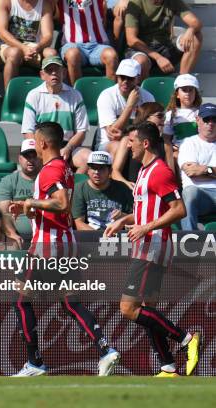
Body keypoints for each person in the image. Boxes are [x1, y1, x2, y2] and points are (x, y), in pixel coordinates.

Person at [9, 121, 119, 377]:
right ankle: (105, 349)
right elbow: (54, 206)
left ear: (44, 143)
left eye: (35, 141)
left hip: (48, 246)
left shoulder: (50, 170)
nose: (35, 145)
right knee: (71, 302)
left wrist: (30, 201)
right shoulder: (64, 169)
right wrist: (29, 206)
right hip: (65, 243)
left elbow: (61, 204)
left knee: (20, 298)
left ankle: (34, 362)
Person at [105, 121, 200, 377]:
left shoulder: (160, 171)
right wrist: (123, 221)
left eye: (132, 141)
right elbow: (143, 212)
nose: (129, 145)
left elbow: (179, 210)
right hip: (146, 245)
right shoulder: (143, 172)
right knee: (148, 307)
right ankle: (168, 367)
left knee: (128, 308)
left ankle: (186, 338)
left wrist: (146, 228)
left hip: (153, 246)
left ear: (145, 143)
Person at [21, 56, 92, 174]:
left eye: (57, 70)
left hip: (68, 145)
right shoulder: (33, 95)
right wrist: (44, 151)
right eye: (49, 70)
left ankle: (71, 187)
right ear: (42, 75)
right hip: (42, 146)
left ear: (64, 72)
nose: (54, 73)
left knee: (88, 158)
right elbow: (28, 132)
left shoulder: (75, 95)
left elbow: (81, 131)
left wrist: (68, 148)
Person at [125, 0, 202, 80]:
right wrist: (158, 58)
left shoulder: (173, 2)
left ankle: (182, 81)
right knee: (141, 61)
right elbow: (131, 40)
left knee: (196, 37)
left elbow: (195, 22)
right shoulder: (136, 3)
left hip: (165, 46)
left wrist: (191, 30)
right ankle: (141, 90)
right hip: (142, 49)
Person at [96, 58, 155, 155]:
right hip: (107, 144)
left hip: (137, 142)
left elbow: (150, 130)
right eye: (122, 77)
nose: (125, 81)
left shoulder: (148, 97)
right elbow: (113, 135)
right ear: (117, 77)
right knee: (119, 146)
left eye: (130, 78)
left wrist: (125, 135)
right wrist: (130, 106)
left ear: (138, 78)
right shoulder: (106, 95)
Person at [0, 0, 57, 89]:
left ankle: (49, 95)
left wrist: (38, 47)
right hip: (8, 45)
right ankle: (10, 97)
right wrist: (23, 48)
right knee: (14, 53)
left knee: (51, 54)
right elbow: (2, 32)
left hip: (33, 47)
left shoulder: (45, 4)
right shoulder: (5, 1)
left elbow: (48, 36)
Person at [58, 0, 118, 85]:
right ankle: (76, 96)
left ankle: (110, 96)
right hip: (72, 45)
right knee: (73, 55)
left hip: (97, 45)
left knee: (111, 55)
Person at [177, 103, 216, 230]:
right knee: (190, 192)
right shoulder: (189, 143)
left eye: (214, 119)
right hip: (200, 194)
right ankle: (190, 241)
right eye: (206, 119)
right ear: (198, 120)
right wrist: (212, 172)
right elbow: (191, 172)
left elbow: (199, 171)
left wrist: (204, 169)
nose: (210, 123)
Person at [112, 103, 168, 190]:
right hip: (131, 191)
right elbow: (115, 172)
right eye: (160, 116)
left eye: (164, 116)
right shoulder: (128, 139)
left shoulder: (165, 144)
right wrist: (127, 184)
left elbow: (170, 174)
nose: (163, 119)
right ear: (146, 117)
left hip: (154, 191)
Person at [72, 151, 133, 231]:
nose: (97, 172)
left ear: (110, 171)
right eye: (93, 167)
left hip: (116, 238)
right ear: (88, 170)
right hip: (90, 238)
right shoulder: (79, 188)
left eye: (101, 168)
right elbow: (79, 223)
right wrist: (100, 238)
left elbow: (136, 218)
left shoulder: (123, 188)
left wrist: (123, 216)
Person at [0, 138, 42, 238]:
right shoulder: (8, 181)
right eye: (27, 156)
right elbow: (3, 215)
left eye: (34, 156)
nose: (31, 160)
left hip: (45, 233)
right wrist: (12, 234)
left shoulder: (48, 179)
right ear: (20, 158)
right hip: (17, 236)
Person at [164, 74, 202, 147]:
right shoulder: (170, 115)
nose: (188, 93)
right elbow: (166, 139)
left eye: (191, 90)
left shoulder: (202, 112)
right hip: (178, 151)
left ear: (195, 94)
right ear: (177, 94)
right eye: (184, 90)